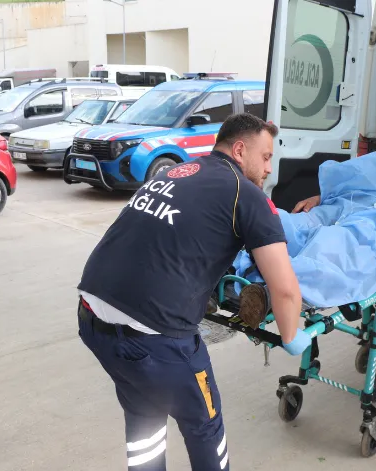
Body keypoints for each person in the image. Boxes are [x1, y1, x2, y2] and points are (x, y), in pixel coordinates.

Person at [76, 113, 311, 470]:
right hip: (155, 338)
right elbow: (286, 290)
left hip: (92, 316)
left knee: (144, 413)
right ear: (239, 150)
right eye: (265, 157)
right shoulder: (246, 195)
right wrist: (291, 336)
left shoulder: (177, 172)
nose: (269, 169)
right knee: (204, 426)